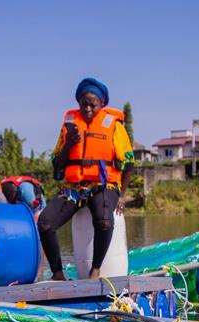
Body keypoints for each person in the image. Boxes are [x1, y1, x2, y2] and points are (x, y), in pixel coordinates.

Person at [37, 77, 134, 280]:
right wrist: (69, 144)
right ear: (78, 103)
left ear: (102, 104)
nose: (88, 109)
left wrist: (122, 195)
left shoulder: (114, 126)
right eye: (84, 104)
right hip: (74, 188)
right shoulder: (69, 126)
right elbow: (57, 167)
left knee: (104, 221)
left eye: (93, 104)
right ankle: (58, 274)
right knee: (45, 223)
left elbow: (129, 164)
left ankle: (95, 270)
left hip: (103, 185)